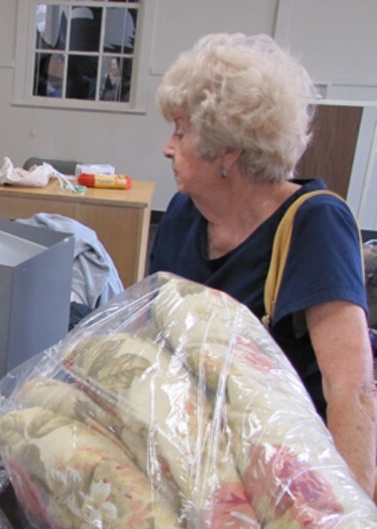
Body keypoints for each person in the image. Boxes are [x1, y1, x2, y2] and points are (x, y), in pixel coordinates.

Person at [150, 33, 376, 499]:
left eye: (181, 132)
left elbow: (350, 390)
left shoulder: (315, 222)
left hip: (292, 473)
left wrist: (350, 528)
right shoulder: (182, 213)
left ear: (227, 150)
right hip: (205, 457)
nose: (167, 148)